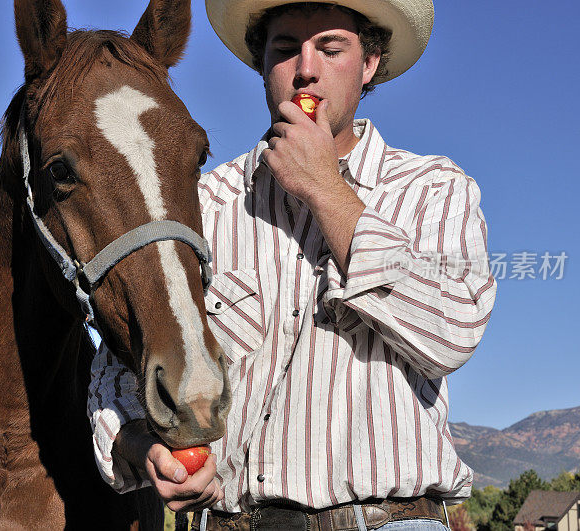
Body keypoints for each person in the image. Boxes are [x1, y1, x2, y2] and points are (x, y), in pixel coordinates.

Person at [88, 0, 497, 529]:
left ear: (370, 64)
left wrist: (326, 190)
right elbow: (115, 376)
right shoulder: (203, 206)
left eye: (331, 48)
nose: (306, 68)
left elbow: (453, 331)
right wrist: (149, 446)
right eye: (284, 49)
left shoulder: (433, 190)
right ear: (262, 66)